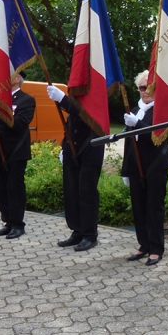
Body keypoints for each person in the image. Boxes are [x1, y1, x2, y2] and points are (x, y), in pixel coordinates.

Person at [121, 70, 168, 266]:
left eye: (150, 87)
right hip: (136, 167)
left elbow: (157, 137)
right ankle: (144, 244)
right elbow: (127, 143)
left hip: (155, 167)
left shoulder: (162, 110)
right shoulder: (133, 110)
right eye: (142, 87)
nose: (146, 91)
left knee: (154, 208)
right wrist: (126, 169)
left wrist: (139, 125)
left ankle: (156, 247)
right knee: (138, 208)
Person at [46, 84, 104, 251]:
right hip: (72, 148)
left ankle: (89, 235)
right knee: (72, 192)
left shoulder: (98, 91)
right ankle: (77, 231)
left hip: (91, 147)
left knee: (87, 192)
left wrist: (63, 100)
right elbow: (70, 124)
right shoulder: (78, 95)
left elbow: (86, 113)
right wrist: (65, 147)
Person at [0, 72, 36, 239]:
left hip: (15, 152)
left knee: (14, 189)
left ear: (18, 78)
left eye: (11, 73)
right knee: (0, 190)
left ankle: (17, 224)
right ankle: (7, 222)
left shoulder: (26, 100)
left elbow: (19, 124)